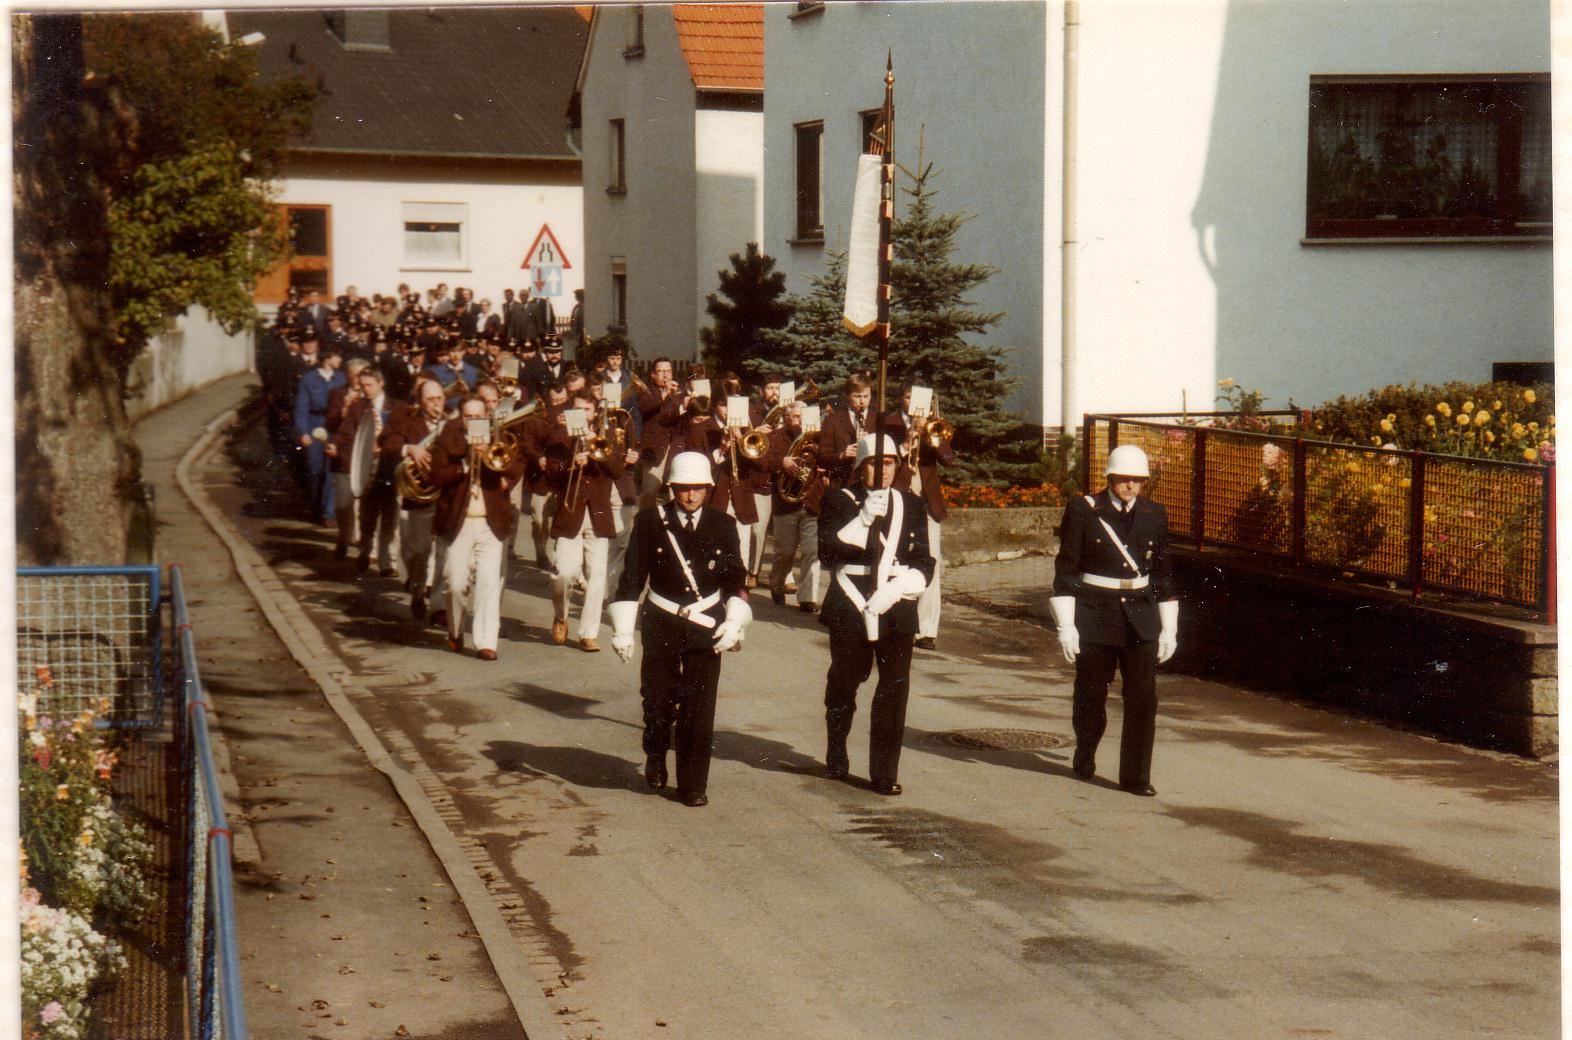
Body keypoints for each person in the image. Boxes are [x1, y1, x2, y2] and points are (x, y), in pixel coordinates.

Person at [608, 451, 751, 808]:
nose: (690, 496)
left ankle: (692, 784)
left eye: (697, 489)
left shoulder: (723, 525)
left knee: (699, 707)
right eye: (683, 489)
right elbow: (632, 578)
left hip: (707, 623)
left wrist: (734, 620)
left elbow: (736, 579)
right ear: (672, 488)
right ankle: (656, 754)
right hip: (663, 619)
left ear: (707, 488)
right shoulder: (649, 521)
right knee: (657, 700)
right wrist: (624, 629)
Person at [1048, 443, 1179, 797]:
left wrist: (1170, 628)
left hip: (1141, 614)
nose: (1131, 486)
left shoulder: (1155, 513)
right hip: (1096, 612)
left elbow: (1163, 573)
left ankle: (1135, 777)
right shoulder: (1085, 509)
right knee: (1091, 692)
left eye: (1138, 480)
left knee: (1143, 697)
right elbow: (1067, 570)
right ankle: (1086, 747)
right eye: (1124, 479)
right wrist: (1067, 624)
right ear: (1110, 477)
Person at [818, 434, 935, 795]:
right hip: (851, 602)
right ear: (860, 466)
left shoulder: (911, 504)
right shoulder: (840, 500)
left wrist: (896, 590)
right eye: (873, 463)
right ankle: (836, 748)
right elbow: (829, 553)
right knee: (845, 681)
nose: (881, 470)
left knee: (894, 689)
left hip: (895, 605)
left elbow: (924, 562)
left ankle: (884, 772)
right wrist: (864, 518)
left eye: (888, 463)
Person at [429, 394, 525, 660]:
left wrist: (494, 466)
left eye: (479, 416)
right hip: (459, 524)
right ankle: (456, 629)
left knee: (488, 584)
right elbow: (435, 475)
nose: (474, 421)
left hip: (490, 524)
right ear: (461, 418)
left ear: (487, 416)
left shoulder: (499, 437)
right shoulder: (448, 438)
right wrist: (464, 463)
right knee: (455, 584)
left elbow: (516, 464)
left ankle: (486, 642)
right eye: (469, 417)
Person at [544, 393, 624, 651]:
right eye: (577, 409)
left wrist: (595, 446)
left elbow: (618, 470)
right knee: (564, 573)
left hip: (598, 514)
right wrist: (570, 465)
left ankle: (588, 633)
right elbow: (550, 476)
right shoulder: (559, 438)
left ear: (594, 412)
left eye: (587, 409)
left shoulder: (606, 434)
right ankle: (561, 615)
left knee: (597, 575)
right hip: (570, 513)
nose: (582, 413)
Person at [889, 384, 955, 651]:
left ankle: (927, 630)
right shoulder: (890, 424)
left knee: (932, 562)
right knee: (897, 559)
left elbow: (949, 459)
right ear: (902, 400)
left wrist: (932, 435)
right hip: (901, 497)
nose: (913, 402)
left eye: (919, 399)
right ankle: (897, 620)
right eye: (908, 397)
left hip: (927, 504)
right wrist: (906, 442)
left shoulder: (936, 426)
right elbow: (887, 459)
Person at [764, 401, 824, 612]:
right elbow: (762, 460)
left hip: (811, 501)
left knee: (811, 551)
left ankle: (807, 598)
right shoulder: (775, 437)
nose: (801, 422)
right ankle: (777, 583)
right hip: (785, 504)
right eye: (797, 417)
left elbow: (829, 460)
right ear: (787, 418)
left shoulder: (818, 436)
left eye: (804, 417)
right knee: (785, 552)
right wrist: (782, 462)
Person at [293, 344, 347, 525]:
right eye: (337, 356)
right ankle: (315, 506)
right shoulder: (309, 380)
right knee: (315, 470)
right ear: (327, 359)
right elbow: (301, 408)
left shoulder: (341, 379)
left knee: (331, 469)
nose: (340, 360)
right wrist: (303, 432)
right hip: (314, 425)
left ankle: (328, 513)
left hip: (334, 427)